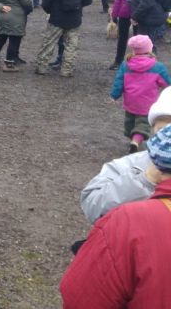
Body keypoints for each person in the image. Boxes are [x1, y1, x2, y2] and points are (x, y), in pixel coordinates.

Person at [61, 124, 171, 306]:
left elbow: (82, 298)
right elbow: (92, 201)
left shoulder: (131, 221)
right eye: (161, 121)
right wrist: (143, 180)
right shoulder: (133, 163)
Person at [81, 87, 171, 224]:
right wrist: (145, 180)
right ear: (153, 129)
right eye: (163, 130)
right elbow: (92, 205)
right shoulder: (133, 165)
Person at [111, 35, 169, 153]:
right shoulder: (158, 67)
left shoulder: (126, 65)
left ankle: (132, 138)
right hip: (147, 103)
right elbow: (167, 83)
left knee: (130, 122)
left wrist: (114, 95)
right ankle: (136, 141)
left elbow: (119, 81)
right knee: (143, 124)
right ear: (149, 48)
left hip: (130, 101)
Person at [36, 0, 92, 77]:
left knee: (48, 44)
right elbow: (88, 1)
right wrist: (78, 7)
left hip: (56, 19)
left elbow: (45, 3)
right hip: (74, 20)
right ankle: (67, 70)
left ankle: (41, 67)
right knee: (71, 46)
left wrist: (51, 12)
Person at [109, 0, 142, 69]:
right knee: (122, 38)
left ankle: (138, 61)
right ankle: (118, 61)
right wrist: (115, 14)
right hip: (124, 13)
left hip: (138, 15)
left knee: (138, 39)